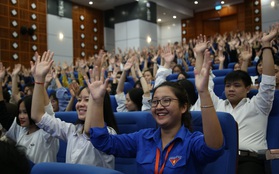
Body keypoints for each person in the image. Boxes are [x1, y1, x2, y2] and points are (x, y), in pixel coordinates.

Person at [85, 50, 224, 173]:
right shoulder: (143, 138)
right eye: (155, 101)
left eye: (166, 101)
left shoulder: (191, 142)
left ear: (183, 107)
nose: (158, 106)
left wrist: (203, 92)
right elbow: (103, 142)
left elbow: (213, 148)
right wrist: (97, 102)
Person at [191, 24, 278, 174]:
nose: (231, 89)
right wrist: (199, 54)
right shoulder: (217, 105)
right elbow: (203, 85)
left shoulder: (259, 105)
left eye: (236, 85)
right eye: (228, 86)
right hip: (219, 158)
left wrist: (266, 44)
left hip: (249, 160)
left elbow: (269, 81)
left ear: (247, 88)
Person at [31, 50, 118, 169]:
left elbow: (90, 131)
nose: (80, 104)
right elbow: (37, 116)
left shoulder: (109, 133)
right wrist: (39, 80)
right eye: (79, 99)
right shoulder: (73, 130)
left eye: (87, 100)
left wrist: (96, 94)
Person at [0, 62, 59, 164]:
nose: (21, 116)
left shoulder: (46, 133)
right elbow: (2, 114)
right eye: (20, 112)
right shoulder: (20, 130)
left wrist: (41, 81)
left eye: (25, 113)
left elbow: (48, 112)